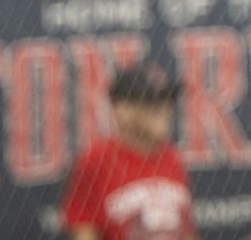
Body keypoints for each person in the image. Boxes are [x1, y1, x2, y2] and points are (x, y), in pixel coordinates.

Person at [61, 61, 197, 240]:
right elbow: (83, 232)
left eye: (167, 100)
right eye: (151, 101)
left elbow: (186, 232)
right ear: (122, 110)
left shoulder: (172, 157)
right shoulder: (96, 160)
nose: (164, 109)